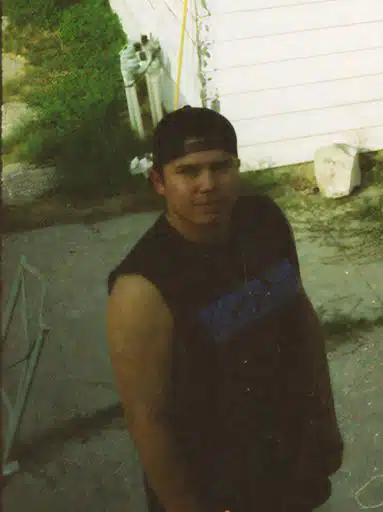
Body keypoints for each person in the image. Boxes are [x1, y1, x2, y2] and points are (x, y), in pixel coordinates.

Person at [106, 106, 343, 512]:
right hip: (213, 484)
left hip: (288, 456)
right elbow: (147, 420)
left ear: (237, 168)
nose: (208, 185)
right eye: (188, 172)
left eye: (220, 167)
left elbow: (301, 321)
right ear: (159, 181)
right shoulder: (141, 287)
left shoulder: (264, 222)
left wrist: (325, 420)